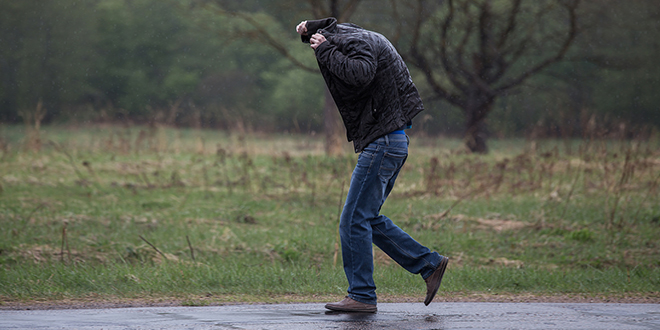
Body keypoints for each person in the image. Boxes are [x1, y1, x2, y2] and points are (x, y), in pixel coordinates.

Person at [296, 17, 449, 313]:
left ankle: (362, 295)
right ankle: (429, 264)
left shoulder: (356, 43)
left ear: (333, 38)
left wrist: (325, 49)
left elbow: (360, 74)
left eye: (322, 39)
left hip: (383, 142)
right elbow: (334, 30)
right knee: (367, 218)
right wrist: (309, 30)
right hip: (392, 141)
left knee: (352, 220)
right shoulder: (352, 35)